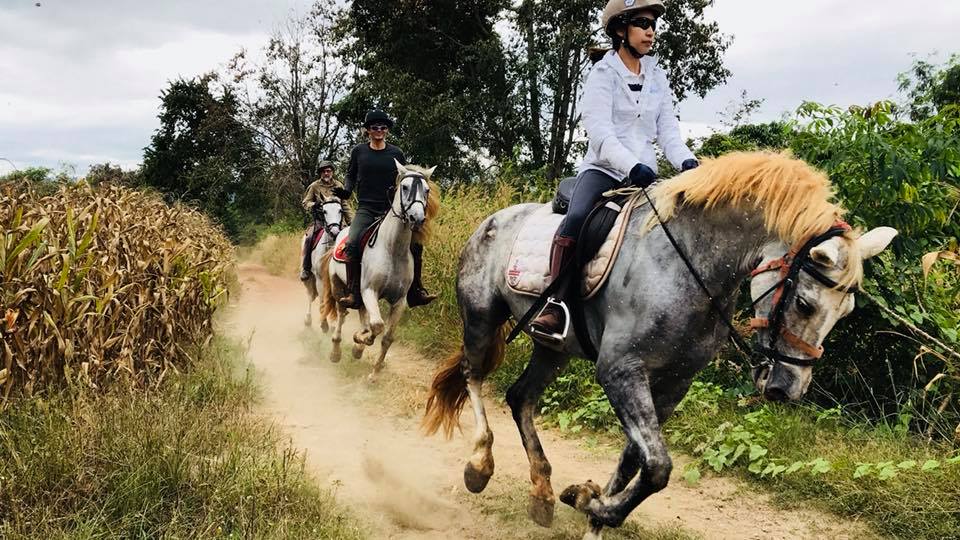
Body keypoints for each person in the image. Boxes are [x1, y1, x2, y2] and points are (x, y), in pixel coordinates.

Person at [530, 0, 700, 341]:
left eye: (653, 24)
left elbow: (668, 132)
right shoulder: (602, 74)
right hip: (604, 171)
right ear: (621, 30)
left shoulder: (657, 75)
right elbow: (600, 132)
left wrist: (687, 162)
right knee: (577, 220)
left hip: (646, 177)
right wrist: (630, 165)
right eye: (642, 23)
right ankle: (554, 303)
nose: (650, 30)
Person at [333, 109, 437, 309]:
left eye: (383, 127)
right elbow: (351, 175)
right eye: (374, 127)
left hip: (391, 210)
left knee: (416, 245)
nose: (379, 130)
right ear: (368, 131)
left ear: (387, 130)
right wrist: (346, 191)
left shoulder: (396, 153)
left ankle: (415, 290)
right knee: (353, 242)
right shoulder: (359, 151)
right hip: (366, 208)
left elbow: (404, 179)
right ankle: (354, 292)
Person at [300, 160, 351, 281]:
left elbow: (345, 205)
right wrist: (314, 204)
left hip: (338, 221)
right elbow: (305, 202)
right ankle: (306, 268)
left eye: (328, 171)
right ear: (320, 173)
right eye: (323, 171)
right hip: (320, 222)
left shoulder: (339, 186)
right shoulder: (314, 186)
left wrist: (352, 222)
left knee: (351, 240)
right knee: (308, 238)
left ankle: (350, 271)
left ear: (332, 172)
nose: (326, 173)